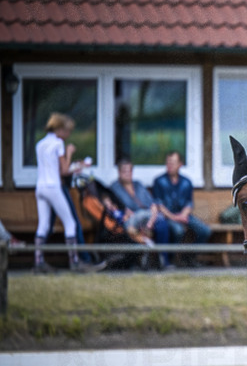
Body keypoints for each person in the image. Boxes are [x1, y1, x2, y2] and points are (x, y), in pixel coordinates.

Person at [33, 113, 102, 272]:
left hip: (40, 187)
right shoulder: (58, 144)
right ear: (60, 129)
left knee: (42, 225)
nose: (68, 134)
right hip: (53, 187)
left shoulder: (40, 144)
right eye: (67, 131)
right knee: (70, 223)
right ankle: (75, 262)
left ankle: (38, 262)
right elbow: (63, 171)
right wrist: (71, 155)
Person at [110, 158, 172, 267]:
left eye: (130, 171)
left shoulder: (138, 185)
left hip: (148, 216)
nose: (128, 174)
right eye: (124, 171)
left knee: (162, 225)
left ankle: (162, 259)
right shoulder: (114, 188)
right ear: (119, 172)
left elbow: (152, 204)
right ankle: (138, 261)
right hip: (131, 219)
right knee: (131, 230)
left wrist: (150, 222)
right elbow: (116, 209)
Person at [152, 150, 211, 262]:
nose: (170, 165)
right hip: (167, 217)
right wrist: (174, 217)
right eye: (168, 162)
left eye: (173, 163)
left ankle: (189, 257)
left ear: (180, 164)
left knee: (205, 231)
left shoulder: (186, 182)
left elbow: (189, 203)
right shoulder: (159, 181)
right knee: (178, 231)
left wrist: (183, 215)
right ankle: (171, 260)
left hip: (184, 216)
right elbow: (158, 205)